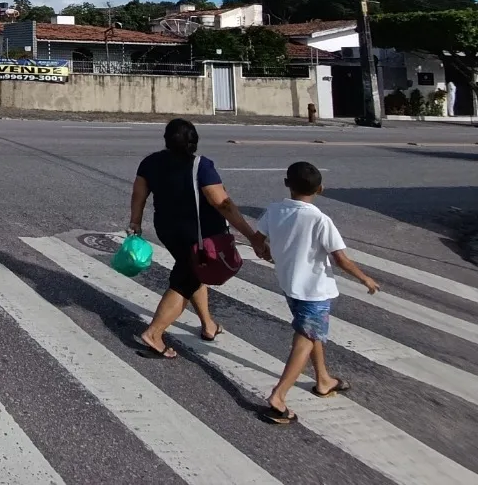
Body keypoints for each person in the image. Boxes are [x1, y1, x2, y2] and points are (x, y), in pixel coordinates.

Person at [127, 118, 268, 358]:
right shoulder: (201, 166)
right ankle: (154, 333)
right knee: (185, 281)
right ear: (195, 142)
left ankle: (208, 325)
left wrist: (135, 223)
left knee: (194, 272)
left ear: (166, 140)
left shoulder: (150, 162)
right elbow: (222, 204)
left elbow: (138, 195)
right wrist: (252, 236)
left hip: (167, 230)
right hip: (200, 237)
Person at [258, 161, 379, 424]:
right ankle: (278, 396)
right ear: (320, 189)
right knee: (305, 337)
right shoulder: (320, 220)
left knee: (313, 334)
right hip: (314, 290)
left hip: (290, 286)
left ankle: (323, 380)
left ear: (286, 183)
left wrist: (264, 250)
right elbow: (341, 260)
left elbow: (258, 236)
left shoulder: (275, 210)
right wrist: (365, 278)